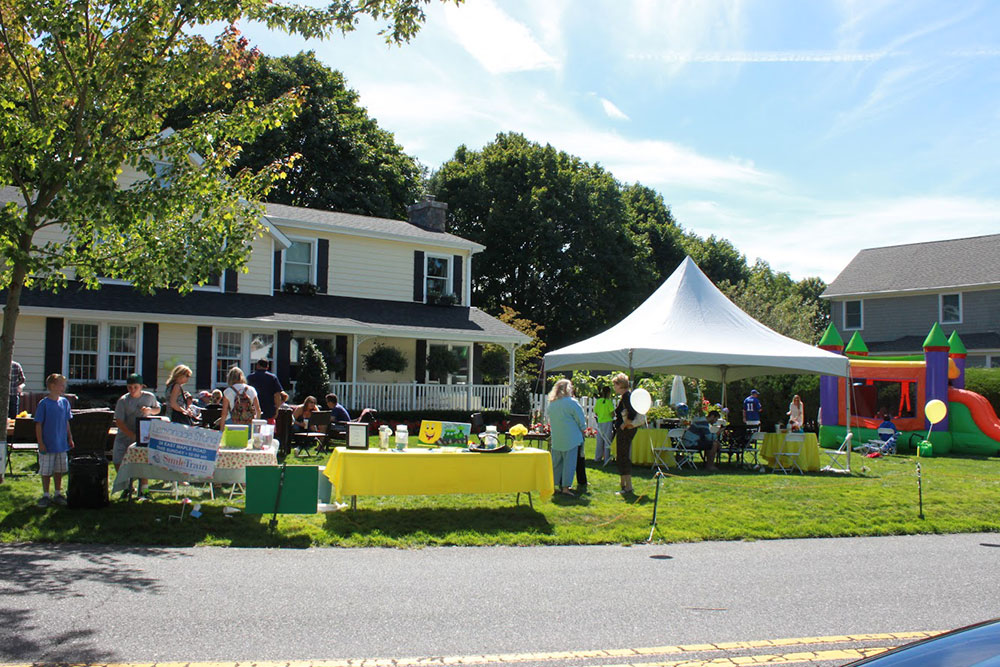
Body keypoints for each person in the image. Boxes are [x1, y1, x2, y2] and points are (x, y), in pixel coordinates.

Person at [112, 373, 161, 498]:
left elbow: (157, 409)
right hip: (125, 434)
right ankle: (128, 486)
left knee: (142, 460)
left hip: (143, 434)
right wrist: (131, 435)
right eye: (129, 387)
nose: (132, 390)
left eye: (135, 387)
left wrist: (150, 410)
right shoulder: (123, 401)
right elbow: (119, 421)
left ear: (141, 386)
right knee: (118, 460)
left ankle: (144, 489)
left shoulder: (149, 397)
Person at [33, 374, 74, 507]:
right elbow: (38, 424)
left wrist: (70, 438)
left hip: (61, 444)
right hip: (48, 444)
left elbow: (66, 421)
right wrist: (41, 443)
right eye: (61, 385)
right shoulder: (44, 404)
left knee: (59, 470)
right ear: (52, 386)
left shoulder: (64, 402)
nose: (63, 387)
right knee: (46, 470)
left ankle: (57, 493)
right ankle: (46, 494)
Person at [547, 379, 586, 497]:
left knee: (556, 464)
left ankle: (552, 485)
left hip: (557, 437)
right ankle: (565, 487)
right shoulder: (572, 402)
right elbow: (581, 419)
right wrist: (583, 429)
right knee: (569, 463)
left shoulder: (552, 404)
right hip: (571, 438)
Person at [612, 373, 638, 495]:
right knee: (621, 455)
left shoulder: (627, 396)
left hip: (626, 430)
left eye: (615, 384)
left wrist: (624, 424)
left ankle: (628, 486)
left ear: (619, 384)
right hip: (625, 429)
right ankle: (623, 484)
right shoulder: (626, 396)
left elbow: (632, 413)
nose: (614, 387)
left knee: (623, 456)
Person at [247, 359, 284, 424]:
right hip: (269, 410)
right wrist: (277, 409)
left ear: (257, 366)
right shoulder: (272, 378)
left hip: (253, 409)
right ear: (267, 367)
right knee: (268, 432)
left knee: (254, 431)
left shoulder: (250, 378)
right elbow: (277, 395)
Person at [593, 385, 615, 465]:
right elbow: (612, 413)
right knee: (607, 441)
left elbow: (596, 412)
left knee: (599, 440)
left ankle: (597, 457)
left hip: (600, 422)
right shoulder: (609, 402)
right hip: (608, 422)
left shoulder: (598, 401)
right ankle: (606, 458)